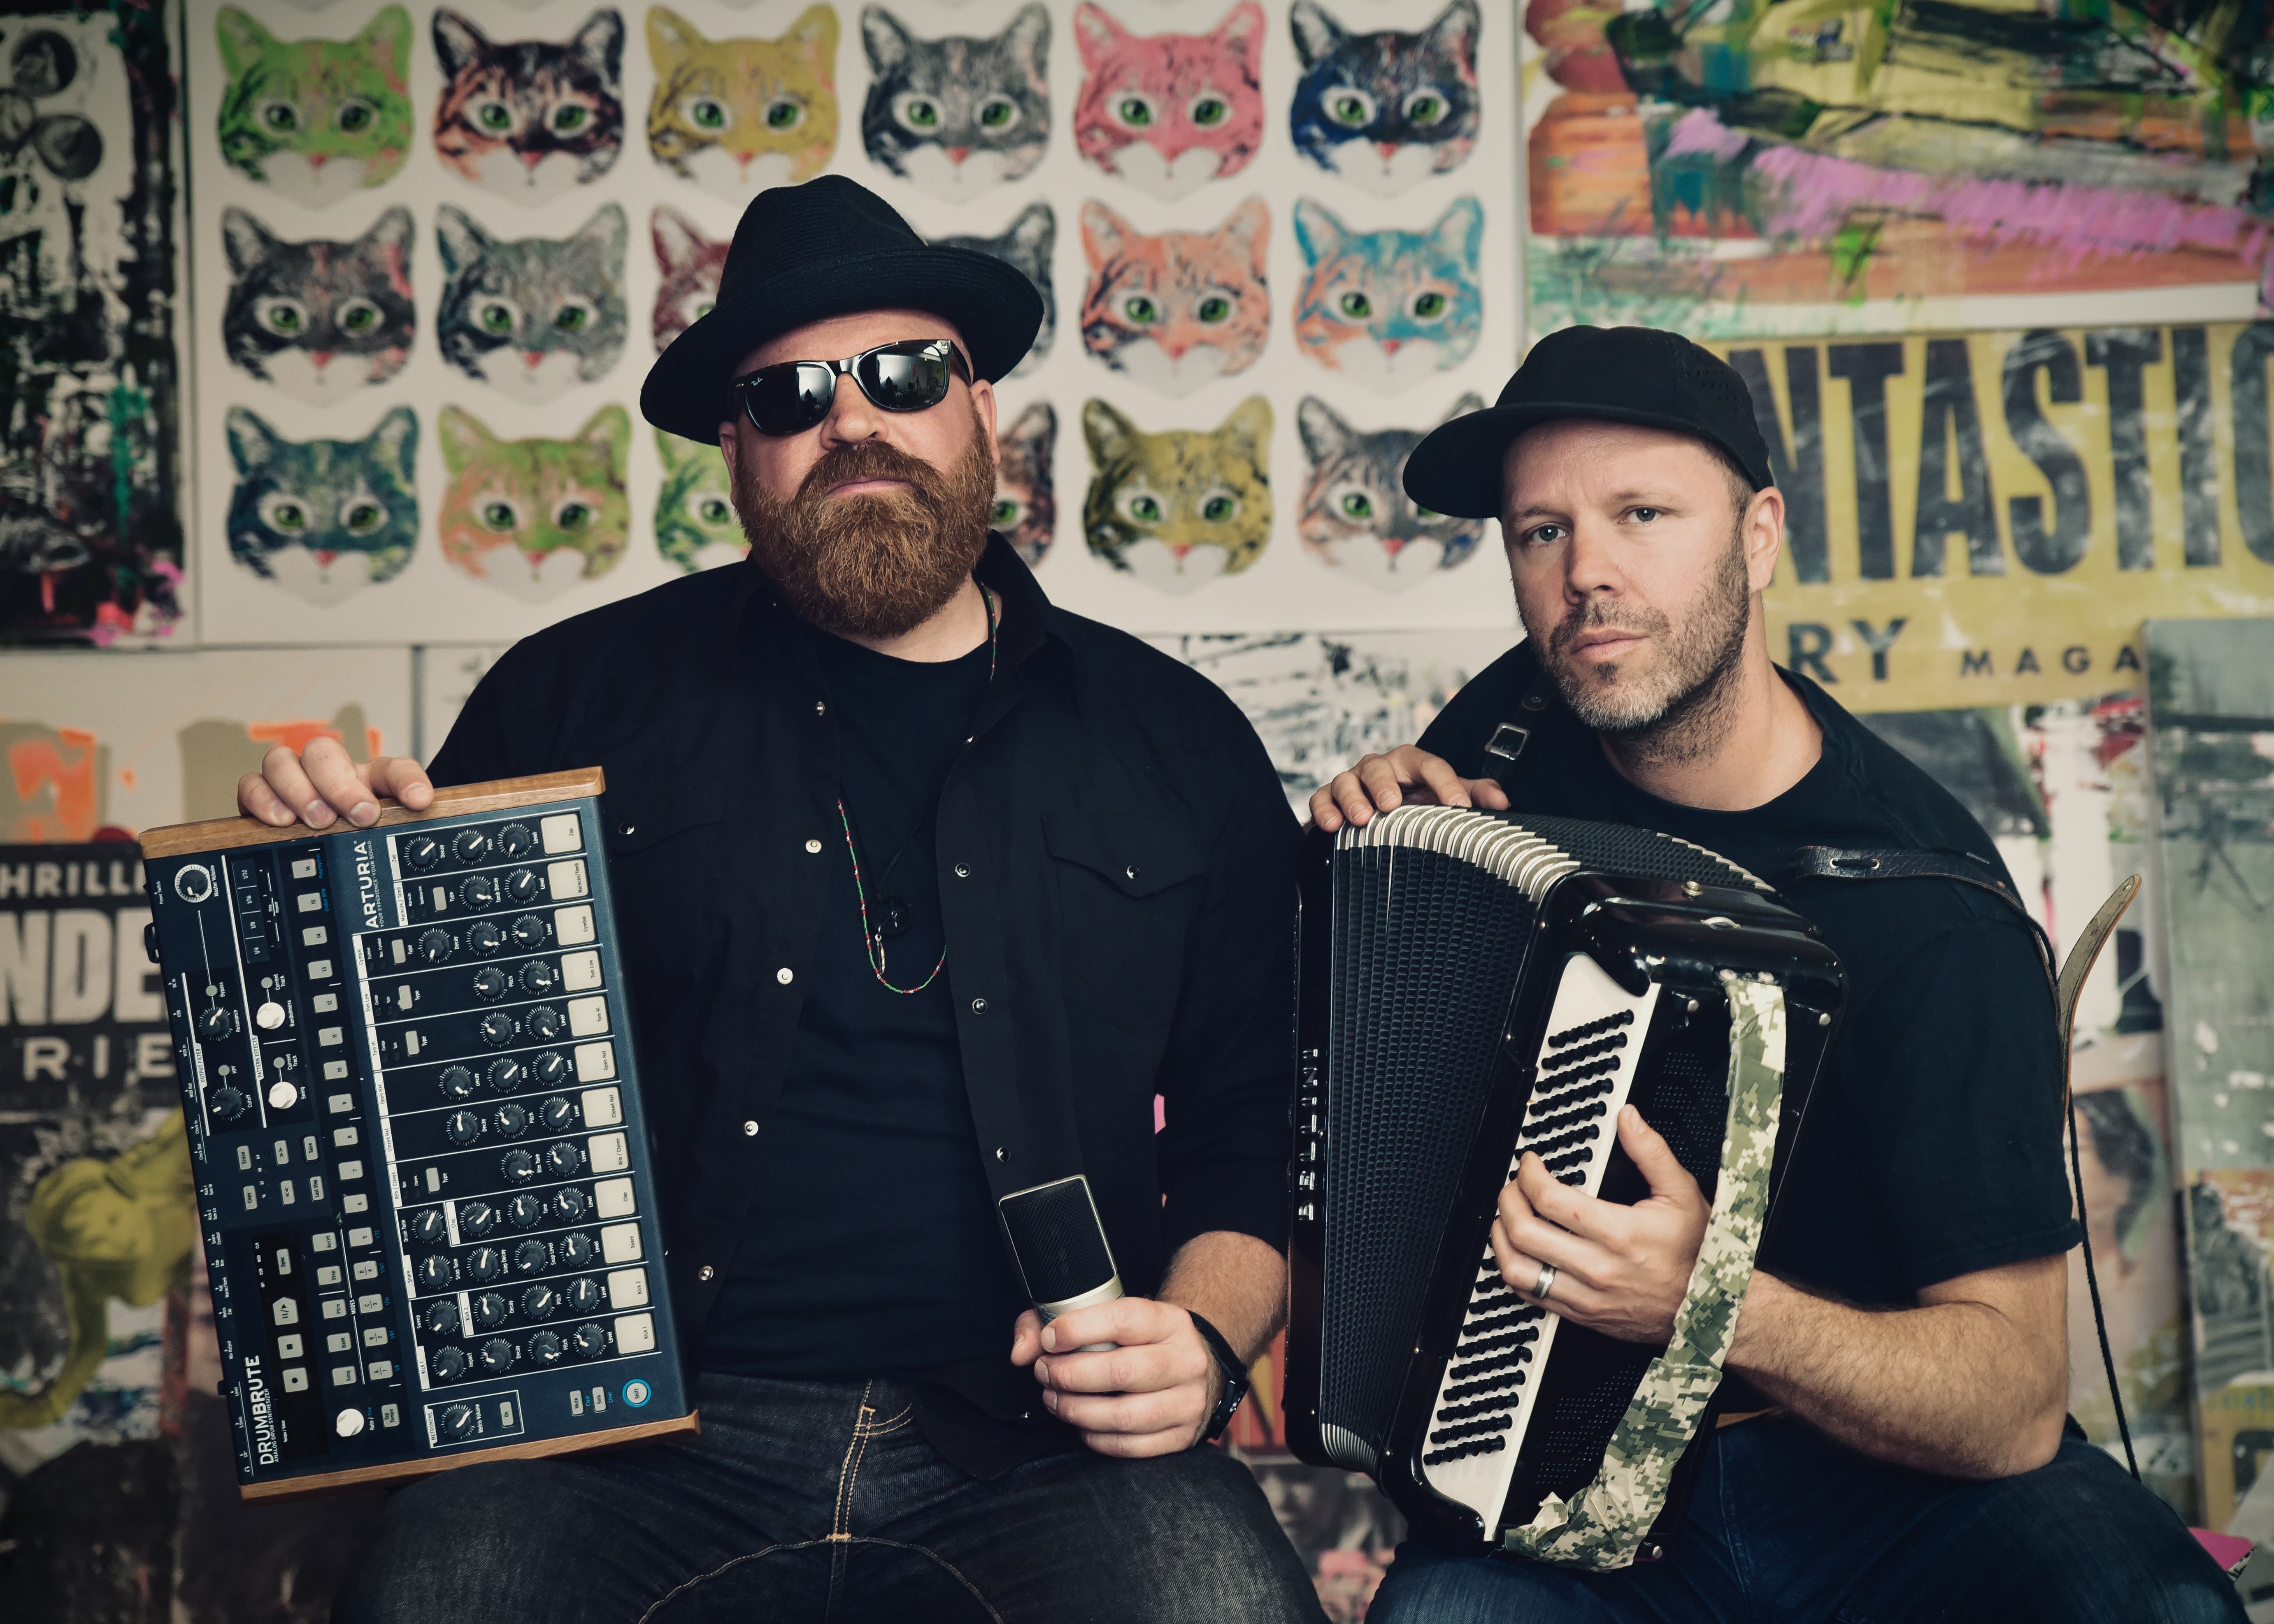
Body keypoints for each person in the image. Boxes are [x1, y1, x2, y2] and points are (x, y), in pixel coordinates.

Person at [240, 176, 1323, 1624]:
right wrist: (318, 879)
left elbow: (1253, 1130)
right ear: (735, 454)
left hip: (1040, 1439)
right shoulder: (570, 696)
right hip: (632, 1440)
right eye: (789, 395)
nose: (852, 421)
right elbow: (400, 1086)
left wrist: (1202, 1340)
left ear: (982, 411)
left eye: (904, 374)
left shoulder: (1178, 739)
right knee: (433, 1595)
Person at [1312, 325, 2241, 1623]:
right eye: (1542, 532)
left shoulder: (1928, 902)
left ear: (1757, 537)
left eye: (1643, 514)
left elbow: (2016, 1400)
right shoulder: (1509, 735)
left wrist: (1709, 1305)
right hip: (1557, 1471)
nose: (1587, 574)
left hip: (1889, 1485)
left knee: (2155, 1608)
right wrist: (1383, 835)